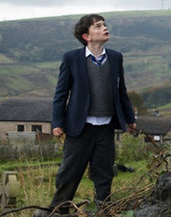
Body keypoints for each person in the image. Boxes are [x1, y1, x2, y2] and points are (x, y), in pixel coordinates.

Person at [35, 14, 136, 217]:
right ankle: (58, 211)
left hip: (106, 126)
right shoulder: (72, 58)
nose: (104, 28)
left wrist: (129, 118)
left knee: (104, 171)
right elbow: (61, 93)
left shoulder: (115, 57)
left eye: (104, 25)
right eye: (98, 26)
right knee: (70, 172)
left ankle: (103, 209)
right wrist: (57, 122)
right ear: (86, 36)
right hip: (79, 127)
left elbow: (121, 91)